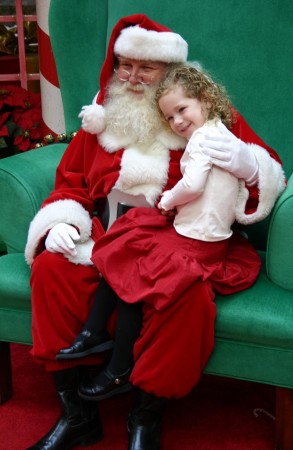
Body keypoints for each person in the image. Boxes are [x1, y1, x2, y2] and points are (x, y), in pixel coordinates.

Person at [24, 14, 285, 450]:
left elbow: (264, 167)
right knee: (52, 270)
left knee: (185, 298)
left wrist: (249, 163)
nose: (132, 77)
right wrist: (60, 222)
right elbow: (70, 181)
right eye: (124, 66)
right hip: (104, 235)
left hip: (177, 239)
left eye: (146, 68)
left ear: (172, 74)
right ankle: (77, 414)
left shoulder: (198, 112)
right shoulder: (101, 119)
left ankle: (146, 415)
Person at [55, 64, 246, 403]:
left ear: (205, 98)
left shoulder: (206, 138)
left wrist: (170, 199)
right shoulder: (216, 130)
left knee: (133, 260)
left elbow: (194, 184)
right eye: (170, 118)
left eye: (182, 110)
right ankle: (103, 347)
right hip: (190, 231)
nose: (177, 122)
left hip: (196, 241)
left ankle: (118, 366)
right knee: (128, 241)